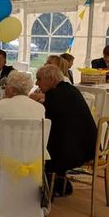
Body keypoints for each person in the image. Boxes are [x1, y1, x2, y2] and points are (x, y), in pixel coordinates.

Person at [35, 65, 97, 196]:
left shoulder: (54, 95)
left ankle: (48, 189)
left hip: (73, 151)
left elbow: (42, 118)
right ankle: (61, 184)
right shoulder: (70, 89)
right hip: (89, 145)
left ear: (51, 79)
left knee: (39, 146)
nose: (36, 83)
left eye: (39, 79)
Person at [0, 71, 45, 156]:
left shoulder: (0, 105)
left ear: (12, 90)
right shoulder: (40, 108)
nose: (5, 87)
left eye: (6, 85)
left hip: (3, 157)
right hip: (31, 156)